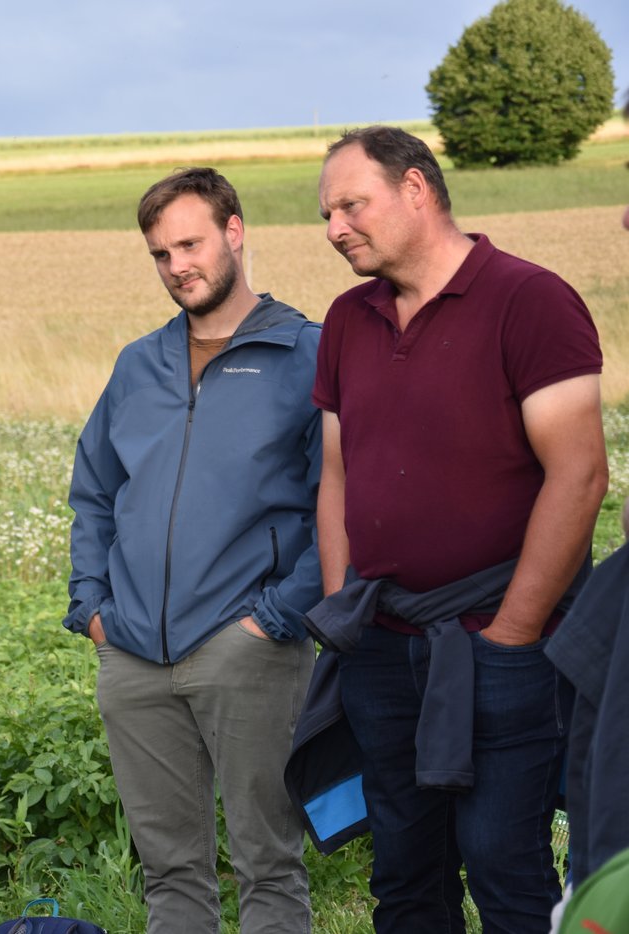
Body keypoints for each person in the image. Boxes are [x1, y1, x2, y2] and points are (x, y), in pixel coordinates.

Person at [311, 125, 607, 933]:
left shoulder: (529, 299)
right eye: (327, 213)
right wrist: (346, 609)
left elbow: (579, 477)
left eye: (350, 205)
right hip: (382, 639)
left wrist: (511, 633)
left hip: (503, 639)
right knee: (405, 871)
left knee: (505, 863)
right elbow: (339, 474)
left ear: (416, 189)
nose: (335, 228)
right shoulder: (347, 319)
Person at [64, 167, 322, 934]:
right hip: (134, 654)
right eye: (160, 253)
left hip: (247, 649)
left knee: (267, 864)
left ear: (234, 233)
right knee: (169, 871)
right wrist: (93, 610)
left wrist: (277, 617)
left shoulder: (309, 353)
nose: (178, 266)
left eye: (190, 243)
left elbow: (340, 505)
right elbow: (95, 490)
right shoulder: (138, 365)